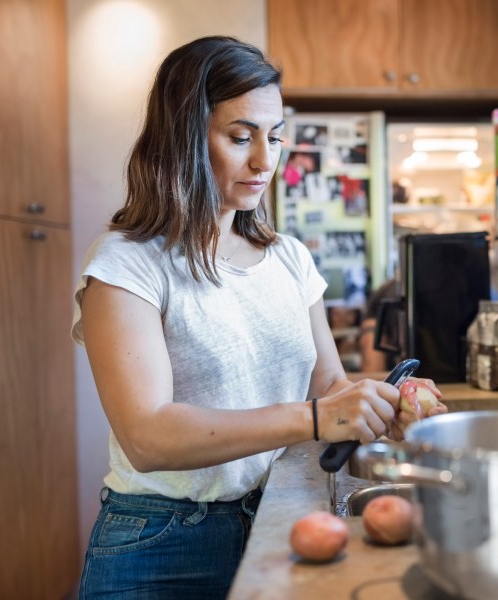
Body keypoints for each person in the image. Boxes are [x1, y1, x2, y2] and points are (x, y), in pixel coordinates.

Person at [71, 36, 446, 599]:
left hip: (278, 513)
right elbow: (147, 436)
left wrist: (375, 404)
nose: (264, 160)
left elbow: (328, 383)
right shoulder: (127, 263)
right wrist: (317, 417)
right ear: (184, 138)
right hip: (161, 541)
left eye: (274, 138)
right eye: (240, 137)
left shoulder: (289, 257)